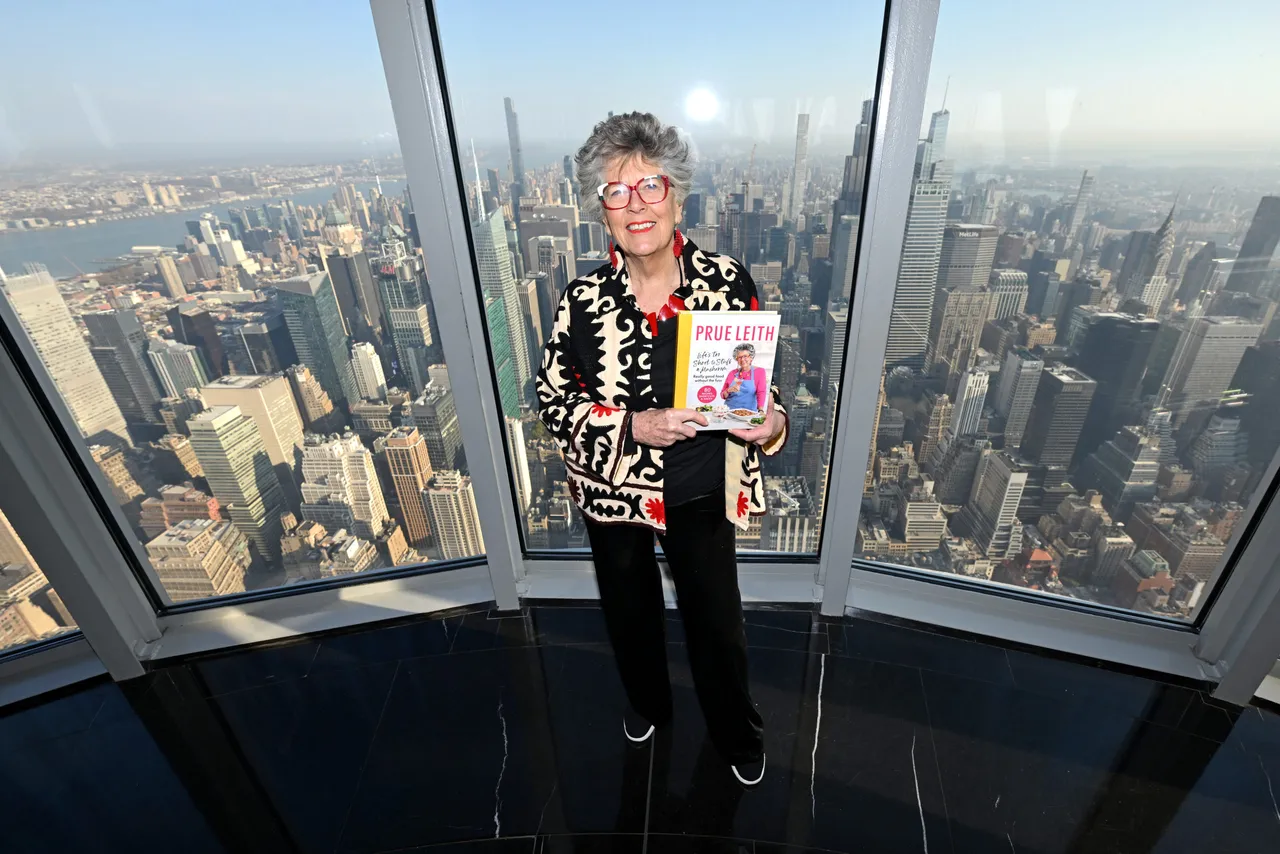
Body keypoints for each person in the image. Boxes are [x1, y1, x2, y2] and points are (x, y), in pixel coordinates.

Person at [536, 112, 788, 787]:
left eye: (651, 185)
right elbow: (553, 400)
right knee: (629, 612)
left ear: (677, 196)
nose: (636, 204)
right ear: (601, 210)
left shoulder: (728, 284)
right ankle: (648, 702)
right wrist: (630, 426)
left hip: (700, 484)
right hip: (613, 490)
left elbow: (761, 393)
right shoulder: (581, 300)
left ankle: (736, 732)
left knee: (717, 621)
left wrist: (770, 423)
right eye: (616, 191)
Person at [721, 343, 769, 412]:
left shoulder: (759, 372)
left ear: (751, 357)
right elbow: (723, 395)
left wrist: (760, 410)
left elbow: (761, 392)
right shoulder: (732, 373)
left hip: (748, 413)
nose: (742, 359)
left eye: (745, 356)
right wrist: (728, 390)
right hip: (729, 411)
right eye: (739, 357)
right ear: (737, 359)